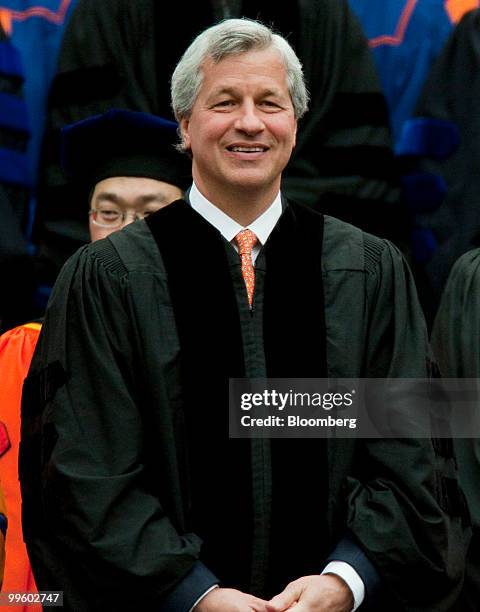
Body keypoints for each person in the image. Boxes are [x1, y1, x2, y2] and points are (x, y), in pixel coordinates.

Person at [20, 19, 466, 612]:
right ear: (184, 125)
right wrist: (193, 593)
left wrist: (346, 579)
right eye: (224, 102)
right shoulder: (108, 278)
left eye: (270, 103)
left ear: (296, 124)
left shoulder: (371, 271)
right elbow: (83, 471)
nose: (250, 122)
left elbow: (413, 454)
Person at [1, 108, 190, 607]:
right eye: (109, 213)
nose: (127, 233)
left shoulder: (234, 341)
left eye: (152, 214)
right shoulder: (22, 353)